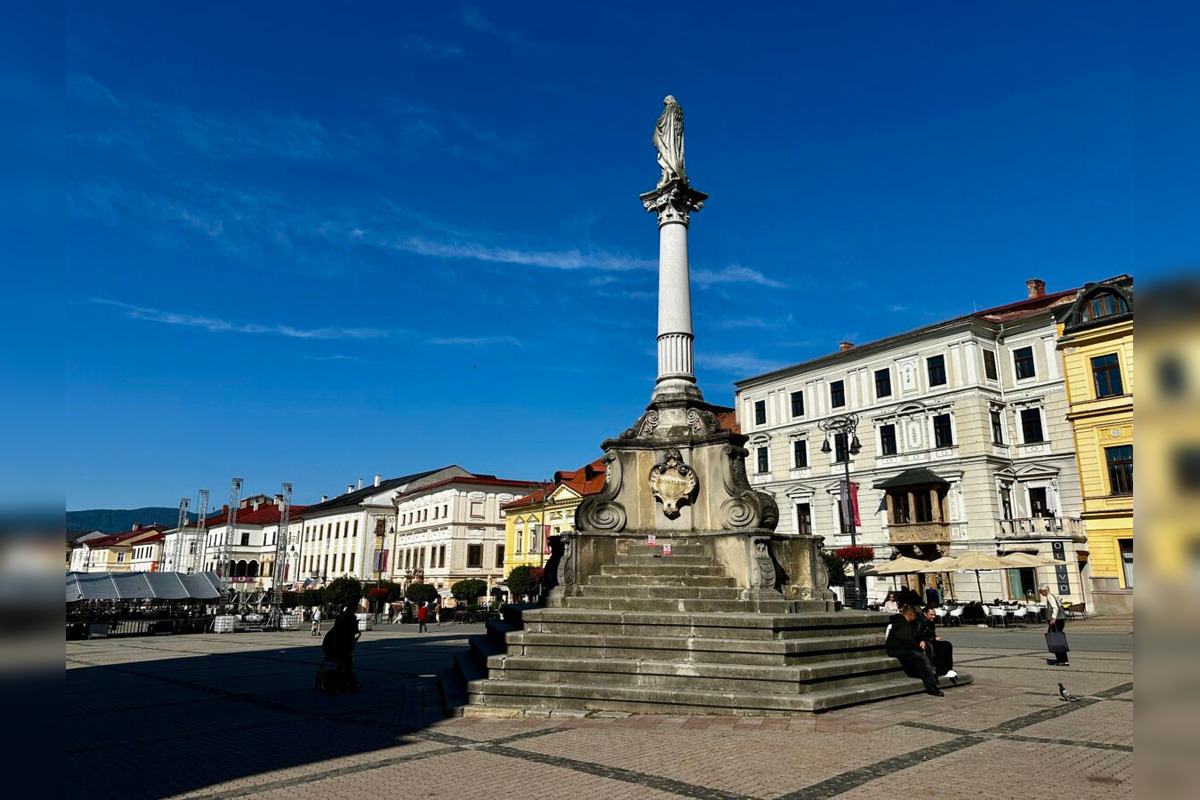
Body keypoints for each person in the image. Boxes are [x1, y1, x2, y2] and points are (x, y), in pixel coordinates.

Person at [885, 605, 943, 696]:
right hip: (897, 650)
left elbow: (915, 635)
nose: (916, 618)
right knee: (921, 658)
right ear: (911, 615)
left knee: (926, 650)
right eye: (915, 615)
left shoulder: (908, 623)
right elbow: (907, 642)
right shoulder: (901, 624)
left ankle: (931, 677)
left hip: (904, 648)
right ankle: (931, 686)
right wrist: (919, 646)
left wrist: (921, 641)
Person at [916, 605, 957, 682]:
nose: (933, 616)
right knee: (941, 648)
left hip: (931, 640)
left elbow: (931, 633)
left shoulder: (931, 622)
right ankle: (941, 670)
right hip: (925, 642)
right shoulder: (919, 622)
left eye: (934, 614)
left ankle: (948, 668)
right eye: (931, 615)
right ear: (925, 614)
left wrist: (935, 637)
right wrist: (933, 638)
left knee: (947, 644)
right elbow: (919, 635)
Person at [1040, 585, 1069, 666]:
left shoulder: (1049, 596)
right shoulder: (1053, 596)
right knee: (1057, 638)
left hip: (1056, 621)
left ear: (1045, 591)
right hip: (1059, 621)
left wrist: (1053, 618)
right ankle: (1062, 659)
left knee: (1055, 639)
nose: (1041, 593)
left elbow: (1055, 608)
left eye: (1040, 591)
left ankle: (1062, 660)